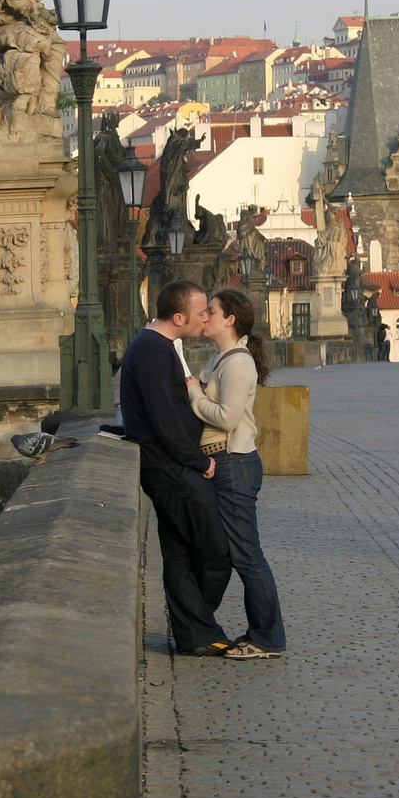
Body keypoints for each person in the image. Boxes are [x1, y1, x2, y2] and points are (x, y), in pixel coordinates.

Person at [120, 280, 232, 656]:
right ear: (180, 316)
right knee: (215, 551)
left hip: (167, 464)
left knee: (181, 551)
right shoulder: (152, 350)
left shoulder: (157, 346)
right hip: (169, 467)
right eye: (202, 313)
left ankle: (195, 634)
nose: (206, 318)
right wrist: (199, 461)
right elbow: (164, 417)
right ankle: (197, 628)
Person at [185, 289, 286, 660]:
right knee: (233, 551)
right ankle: (254, 632)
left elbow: (226, 418)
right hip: (223, 462)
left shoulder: (237, 362)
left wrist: (195, 395)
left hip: (235, 462)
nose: (204, 316)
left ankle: (267, 638)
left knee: (246, 554)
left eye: (211, 311)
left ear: (229, 320)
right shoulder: (221, 358)